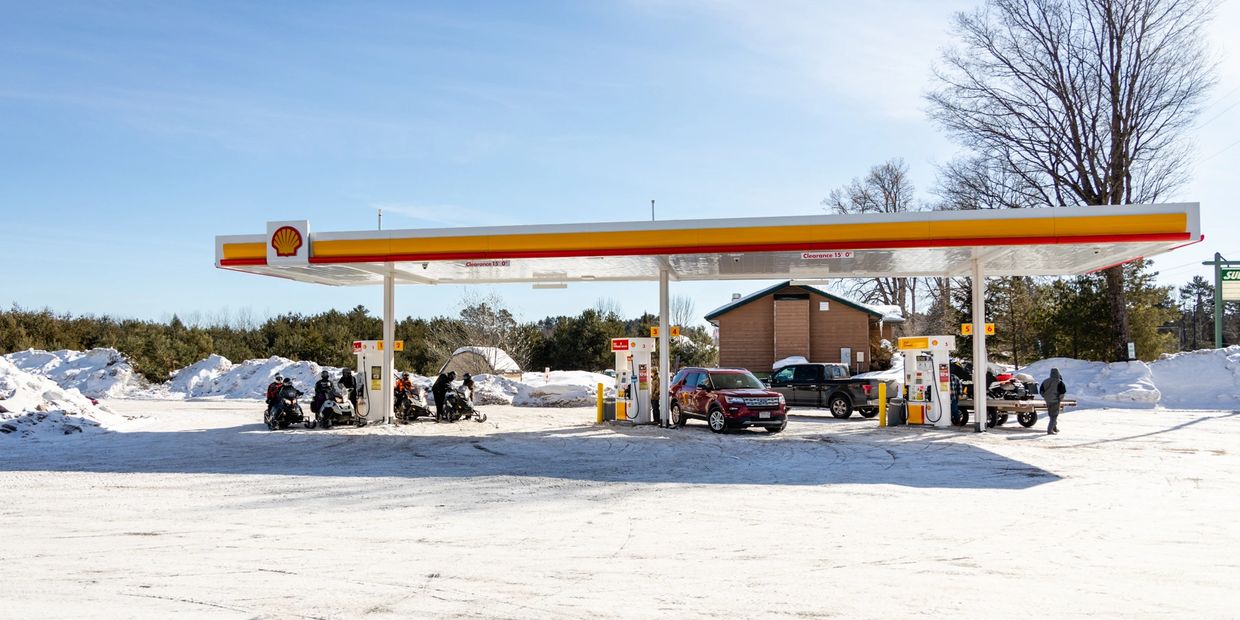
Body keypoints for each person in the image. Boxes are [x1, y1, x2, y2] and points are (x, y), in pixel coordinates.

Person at [1040, 368, 1067, 435]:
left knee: (1051, 415)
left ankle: (1054, 428)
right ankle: (1050, 430)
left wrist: (1045, 397)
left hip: (1048, 400)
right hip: (1055, 400)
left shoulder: (1045, 381)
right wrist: (1059, 399)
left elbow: (1041, 391)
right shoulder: (1059, 382)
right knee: (1054, 416)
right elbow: (1062, 392)